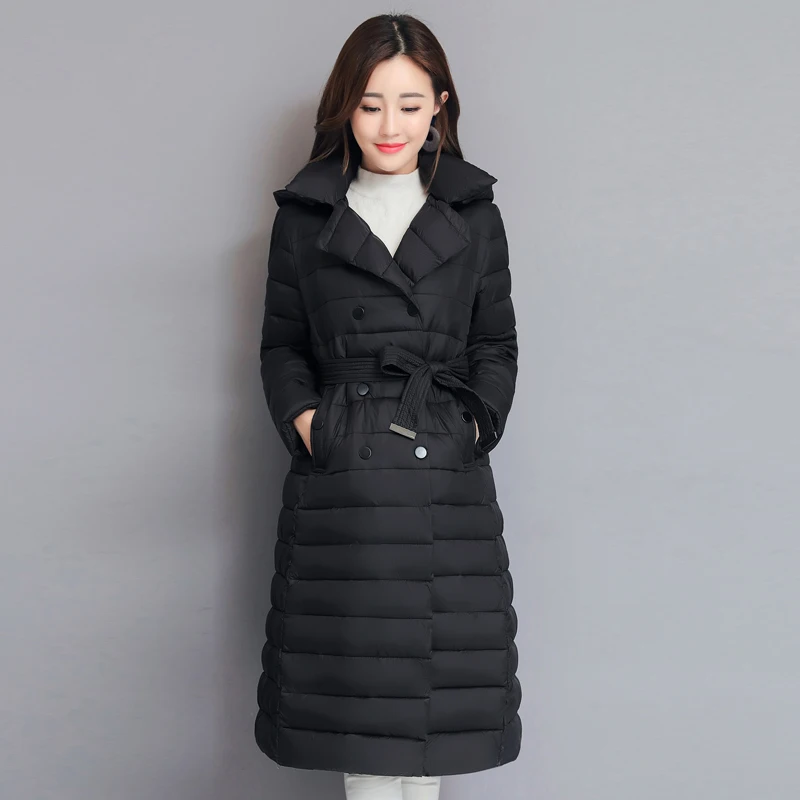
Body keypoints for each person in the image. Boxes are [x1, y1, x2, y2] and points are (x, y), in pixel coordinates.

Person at [255, 13, 522, 800]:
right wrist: (315, 427)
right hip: (346, 488)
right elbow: (282, 347)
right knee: (365, 724)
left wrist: (472, 425)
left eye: (409, 103)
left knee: (430, 728)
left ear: (440, 104)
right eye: (370, 105)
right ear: (345, 107)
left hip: (445, 482)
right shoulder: (305, 218)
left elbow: (496, 344)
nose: (389, 125)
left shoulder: (475, 214)